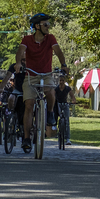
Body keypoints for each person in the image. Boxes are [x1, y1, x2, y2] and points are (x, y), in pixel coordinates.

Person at [15, 13, 70, 153]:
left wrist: (63, 64)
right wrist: (18, 63)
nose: (48, 27)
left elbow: (58, 51)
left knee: (51, 91)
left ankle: (50, 113)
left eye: (48, 24)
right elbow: (21, 51)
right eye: (45, 24)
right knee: (29, 105)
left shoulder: (50, 38)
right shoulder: (27, 39)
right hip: (30, 75)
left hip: (46, 74)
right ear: (37, 26)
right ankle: (27, 139)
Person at [53, 75, 73, 145]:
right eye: (60, 80)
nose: (61, 82)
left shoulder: (67, 88)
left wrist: (73, 100)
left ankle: (68, 139)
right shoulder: (56, 89)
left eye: (62, 80)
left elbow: (72, 96)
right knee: (55, 114)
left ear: (65, 81)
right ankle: (55, 129)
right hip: (58, 104)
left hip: (65, 104)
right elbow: (53, 95)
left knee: (67, 122)